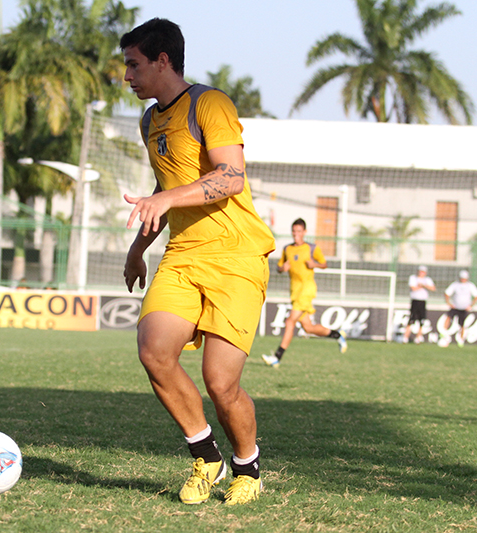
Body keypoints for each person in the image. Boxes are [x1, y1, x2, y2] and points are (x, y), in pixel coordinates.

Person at [120, 18, 275, 506]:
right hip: (184, 256)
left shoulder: (211, 103)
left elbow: (230, 177)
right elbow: (168, 193)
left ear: (162, 60)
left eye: (133, 64)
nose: (127, 75)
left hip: (236, 257)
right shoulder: (150, 122)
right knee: (154, 350)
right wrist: (137, 249)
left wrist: (165, 201)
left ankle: (247, 468)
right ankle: (206, 456)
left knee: (220, 382)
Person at [262, 218, 347, 368]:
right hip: (294, 292)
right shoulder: (287, 249)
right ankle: (337, 334)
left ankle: (277, 357)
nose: (296, 234)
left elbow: (324, 264)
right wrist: (283, 268)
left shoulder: (312, 248)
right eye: (294, 231)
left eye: (299, 231)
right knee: (308, 327)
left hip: (307, 290)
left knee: (290, 321)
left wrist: (315, 264)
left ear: (305, 232)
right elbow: (279, 267)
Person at [439, 270, 477, 347]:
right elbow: (447, 293)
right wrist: (449, 303)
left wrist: (471, 305)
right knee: (448, 318)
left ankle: (461, 340)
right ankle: (443, 333)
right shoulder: (455, 285)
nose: (463, 279)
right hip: (455, 307)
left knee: (462, 325)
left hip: (464, 308)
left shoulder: (470, 285)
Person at [402, 265, 435, 344]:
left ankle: (418, 337)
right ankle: (405, 337)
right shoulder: (413, 278)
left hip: (422, 302)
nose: (421, 273)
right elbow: (413, 288)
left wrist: (423, 285)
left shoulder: (427, 280)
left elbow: (433, 288)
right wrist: (422, 286)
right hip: (415, 301)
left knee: (421, 320)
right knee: (411, 319)